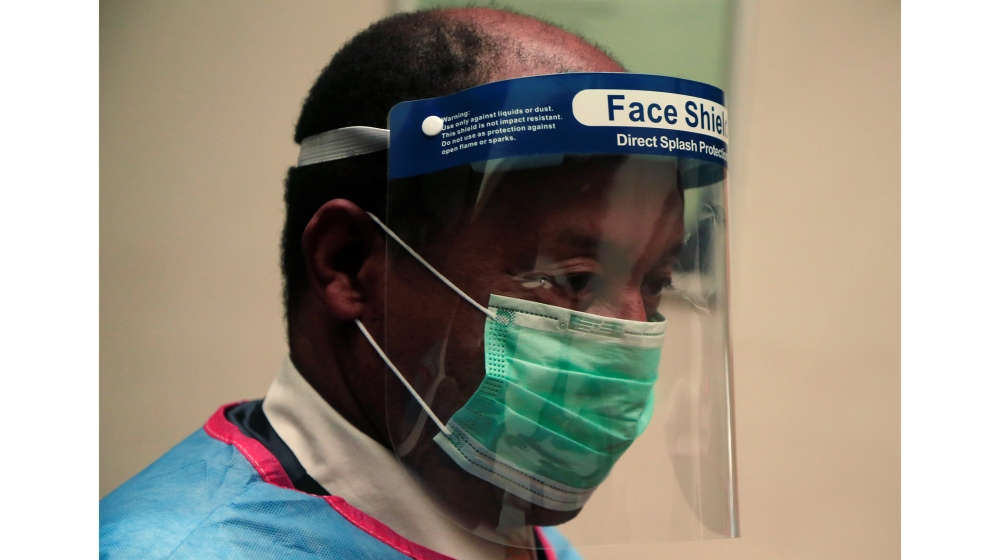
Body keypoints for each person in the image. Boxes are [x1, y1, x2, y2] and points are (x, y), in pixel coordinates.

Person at [101, 6, 735, 559]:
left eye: (654, 285)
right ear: (349, 263)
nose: (626, 335)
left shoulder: (516, 538)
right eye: (572, 280)